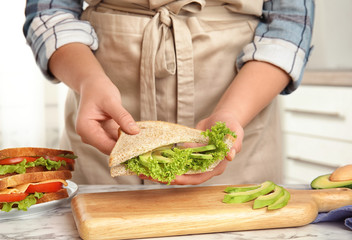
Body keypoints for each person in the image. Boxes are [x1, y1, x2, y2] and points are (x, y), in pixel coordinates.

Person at [24, 0, 314, 185]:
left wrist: (231, 114)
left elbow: (288, 24)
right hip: (103, 100)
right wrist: (88, 81)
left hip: (244, 100)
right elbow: (50, 10)